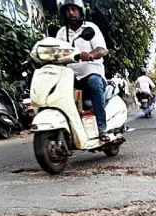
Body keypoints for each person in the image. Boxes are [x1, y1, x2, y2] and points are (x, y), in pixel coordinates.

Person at [56, 0, 110, 139]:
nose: (71, 13)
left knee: (94, 82)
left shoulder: (90, 28)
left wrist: (91, 55)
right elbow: (56, 50)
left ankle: (101, 127)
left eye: (74, 9)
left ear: (80, 11)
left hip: (92, 74)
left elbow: (102, 49)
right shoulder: (62, 33)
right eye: (67, 10)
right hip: (71, 77)